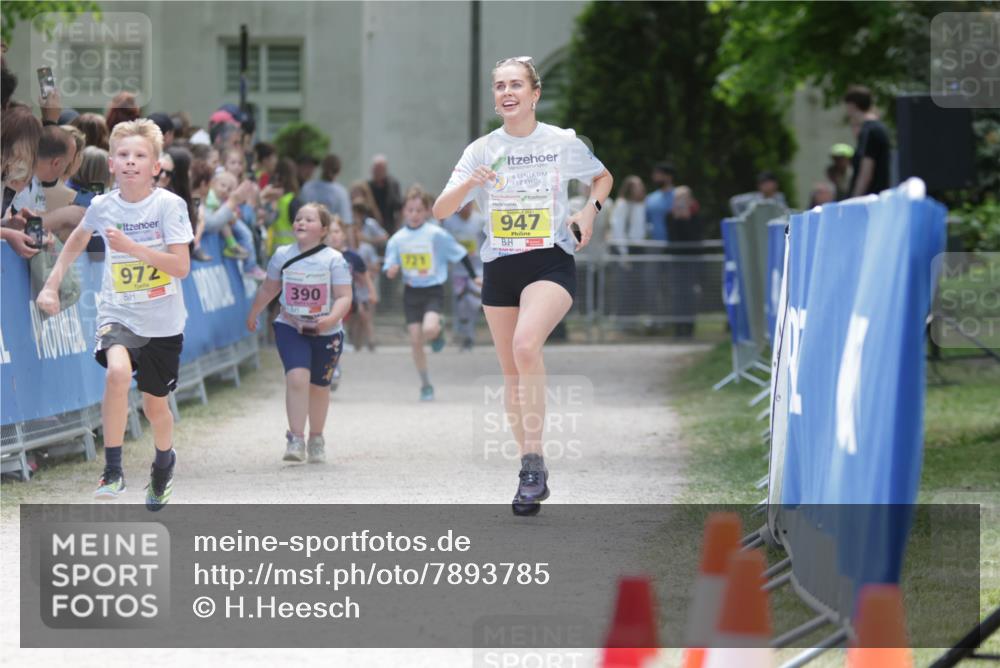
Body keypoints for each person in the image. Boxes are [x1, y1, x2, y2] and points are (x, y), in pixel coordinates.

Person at [432, 56, 612, 516]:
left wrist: (588, 211)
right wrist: (469, 185)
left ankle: (532, 463)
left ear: (535, 94)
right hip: (500, 267)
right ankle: (531, 467)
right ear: (495, 98)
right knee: (512, 372)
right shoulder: (481, 150)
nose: (507, 92)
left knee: (526, 346)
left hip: (549, 261)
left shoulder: (560, 142)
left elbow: (602, 177)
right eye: (500, 86)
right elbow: (440, 210)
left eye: (516, 85)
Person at [36, 119, 193, 511]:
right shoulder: (103, 206)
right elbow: (76, 239)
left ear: (155, 166)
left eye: (140, 155)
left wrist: (134, 248)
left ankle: (163, 463)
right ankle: (112, 470)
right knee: (117, 373)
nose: (130, 161)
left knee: (155, 407)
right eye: (123, 154)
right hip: (118, 312)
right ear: (111, 164)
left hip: (162, 321)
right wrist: (51, 284)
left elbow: (180, 267)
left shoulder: (169, 206)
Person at [245, 203, 352, 463]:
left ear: (323, 229)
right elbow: (269, 289)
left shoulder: (334, 259)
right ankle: (295, 438)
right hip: (291, 326)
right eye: (298, 219)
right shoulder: (282, 255)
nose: (301, 223)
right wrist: (254, 312)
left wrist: (330, 319)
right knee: (296, 378)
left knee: (319, 386)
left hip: (326, 332)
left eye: (309, 219)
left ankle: (316, 438)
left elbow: (344, 297)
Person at [386, 187, 480, 401]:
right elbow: (390, 263)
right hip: (411, 293)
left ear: (428, 211)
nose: (414, 214)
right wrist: (391, 270)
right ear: (404, 211)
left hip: (432, 290)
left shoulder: (436, 234)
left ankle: (437, 330)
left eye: (419, 210)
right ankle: (425, 383)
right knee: (415, 341)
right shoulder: (397, 239)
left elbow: (460, 253)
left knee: (428, 329)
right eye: (410, 210)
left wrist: (474, 276)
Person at [442, 200, 486, 350]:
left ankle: (469, 333)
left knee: (473, 302)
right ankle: (464, 334)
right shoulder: (449, 222)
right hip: (458, 271)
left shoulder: (480, 220)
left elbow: (487, 240)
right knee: (460, 304)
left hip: (478, 269)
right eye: (462, 205)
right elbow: (446, 243)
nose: (466, 208)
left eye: (469, 204)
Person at [844, 85, 891, 197]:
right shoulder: (878, 128)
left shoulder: (869, 131)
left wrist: (854, 199)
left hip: (869, 199)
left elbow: (866, 173)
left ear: (852, 105)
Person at [301, 154, 352, 224]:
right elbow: (345, 220)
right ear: (339, 171)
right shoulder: (341, 192)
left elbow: (301, 213)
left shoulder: (308, 187)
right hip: (330, 229)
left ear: (322, 167)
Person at [368, 154, 402, 234]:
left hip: (389, 226)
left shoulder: (392, 185)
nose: (378, 172)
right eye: (376, 169)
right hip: (372, 227)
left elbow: (399, 207)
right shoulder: (367, 186)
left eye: (381, 169)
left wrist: (397, 227)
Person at [644, 162, 675, 243]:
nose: (654, 176)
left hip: (675, 244)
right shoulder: (650, 198)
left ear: (668, 176)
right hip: (654, 244)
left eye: (658, 173)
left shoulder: (679, 196)